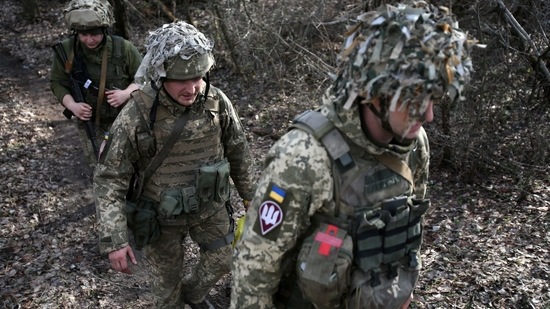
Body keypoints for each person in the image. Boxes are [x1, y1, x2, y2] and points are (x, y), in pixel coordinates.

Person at [231, 2, 481, 308]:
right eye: (415, 100)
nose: (428, 115)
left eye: (434, 99)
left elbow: (409, 223)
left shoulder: (415, 143)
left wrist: (403, 286)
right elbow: (254, 272)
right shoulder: (303, 158)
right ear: (374, 93)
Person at [93, 21, 255, 309]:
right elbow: (109, 178)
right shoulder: (138, 113)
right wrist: (114, 240)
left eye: (198, 77)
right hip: (160, 218)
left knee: (226, 258)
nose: (192, 88)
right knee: (166, 297)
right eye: (182, 79)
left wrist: (253, 199)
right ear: (161, 74)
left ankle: (192, 295)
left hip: (210, 207)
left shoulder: (216, 102)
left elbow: (239, 151)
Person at [50, 0, 142, 168]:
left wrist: (126, 93)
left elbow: (145, 78)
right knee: (100, 169)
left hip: (127, 120)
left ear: (104, 30)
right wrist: (73, 106)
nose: (89, 39)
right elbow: (57, 82)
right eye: (83, 34)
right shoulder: (66, 50)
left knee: (131, 167)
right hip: (91, 123)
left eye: (94, 34)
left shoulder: (123, 48)